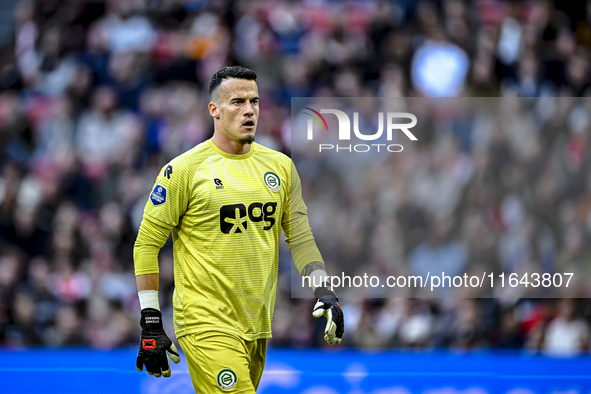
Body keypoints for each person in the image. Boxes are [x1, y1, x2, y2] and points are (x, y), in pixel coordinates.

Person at [133, 66, 344, 393]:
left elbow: (300, 237)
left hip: (257, 324)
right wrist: (150, 320)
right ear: (214, 110)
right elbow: (146, 244)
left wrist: (324, 291)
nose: (249, 110)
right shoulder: (184, 170)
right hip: (205, 323)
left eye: (255, 101)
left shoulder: (280, 167)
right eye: (238, 102)